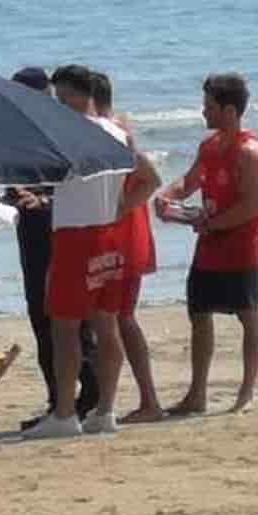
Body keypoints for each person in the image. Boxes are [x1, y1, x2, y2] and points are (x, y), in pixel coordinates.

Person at [22, 65, 160, 440]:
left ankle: (65, 413)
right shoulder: (117, 132)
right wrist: (120, 207)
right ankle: (106, 409)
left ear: (75, 97)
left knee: (64, 328)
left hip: (74, 237)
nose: (57, 105)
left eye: (61, 98)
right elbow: (151, 178)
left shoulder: (68, 133)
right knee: (106, 322)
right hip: (107, 236)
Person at [155, 72, 258, 414]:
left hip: (242, 246)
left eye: (209, 106)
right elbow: (190, 181)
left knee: (247, 314)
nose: (203, 112)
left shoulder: (251, 152)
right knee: (199, 314)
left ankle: (246, 392)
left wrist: (212, 224)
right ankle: (197, 394)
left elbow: (252, 205)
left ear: (229, 110)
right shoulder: (209, 146)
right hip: (208, 244)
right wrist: (168, 196)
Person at [6, 67, 99, 430]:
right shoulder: (21, 131)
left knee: (69, 319)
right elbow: (22, 179)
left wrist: (41, 199)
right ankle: (58, 400)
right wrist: (14, 195)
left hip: (59, 231)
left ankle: (87, 396)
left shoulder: (58, 130)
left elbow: (75, 183)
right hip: (32, 231)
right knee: (42, 318)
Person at [90, 71, 165, 424]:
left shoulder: (112, 132)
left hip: (123, 236)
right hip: (126, 235)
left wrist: (117, 209)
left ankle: (133, 402)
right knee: (118, 318)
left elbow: (150, 179)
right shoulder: (116, 128)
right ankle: (136, 399)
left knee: (117, 319)